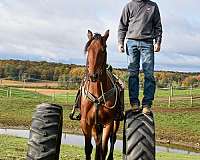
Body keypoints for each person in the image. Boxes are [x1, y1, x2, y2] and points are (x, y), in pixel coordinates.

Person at [118, 0, 163, 114]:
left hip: (147, 43)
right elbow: (122, 26)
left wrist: (158, 42)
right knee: (133, 73)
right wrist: (120, 43)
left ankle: (147, 104)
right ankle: (134, 103)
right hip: (131, 42)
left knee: (149, 74)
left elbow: (158, 26)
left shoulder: (153, 6)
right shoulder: (129, 6)